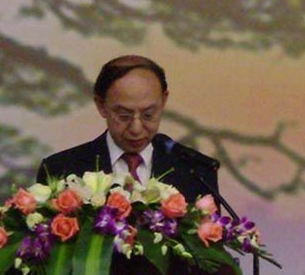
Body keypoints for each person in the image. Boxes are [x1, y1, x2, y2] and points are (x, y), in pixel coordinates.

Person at [36, 55, 219, 202]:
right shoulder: (60, 169)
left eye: (148, 114)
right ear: (101, 105)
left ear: (164, 101)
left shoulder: (197, 172)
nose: (136, 129)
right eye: (124, 116)